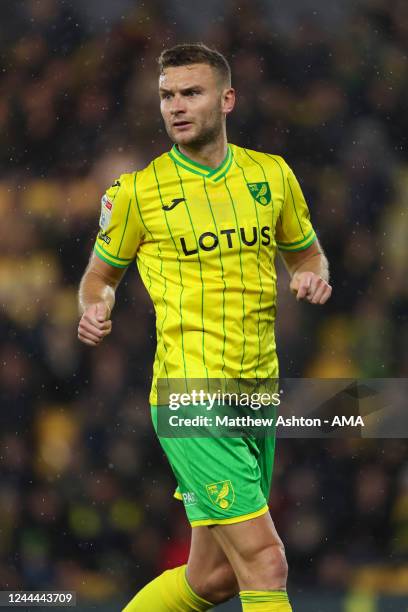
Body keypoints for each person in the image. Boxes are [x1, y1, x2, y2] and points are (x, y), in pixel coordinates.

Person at [78, 43, 332, 612]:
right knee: (267, 563)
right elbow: (99, 277)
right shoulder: (137, 193)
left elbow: (308, 255)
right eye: (167, 96)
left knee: (212, 579)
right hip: (190, 397)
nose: (176, 106)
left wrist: (313, 276)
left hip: (256, 395)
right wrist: (97, 305)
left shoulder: (272, 175)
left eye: (190, 93)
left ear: (227, 98)